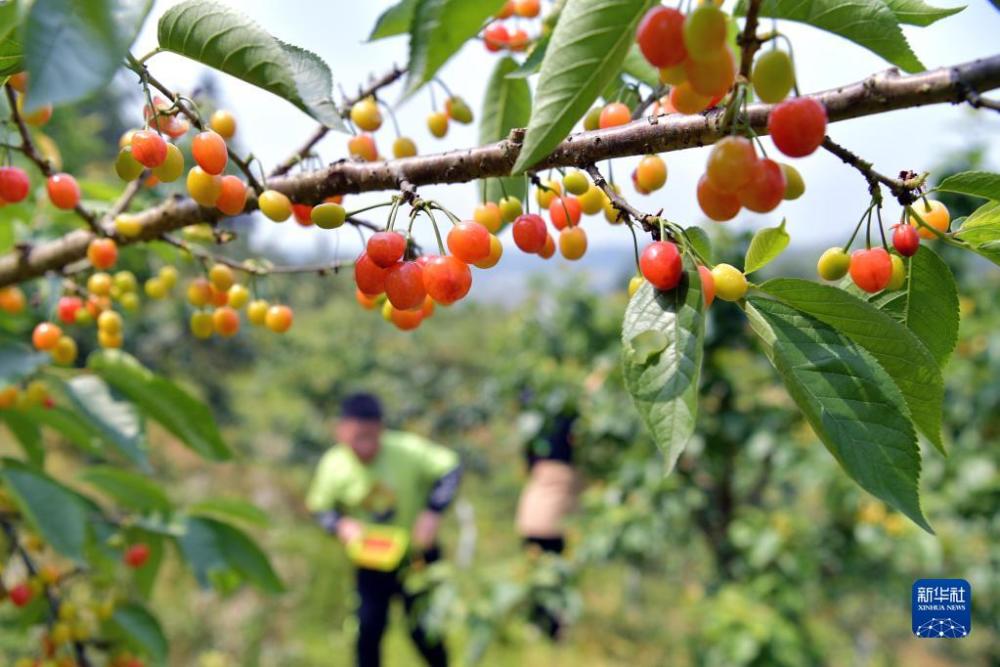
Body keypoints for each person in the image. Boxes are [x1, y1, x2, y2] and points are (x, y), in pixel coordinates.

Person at [306, 393, 462, 667]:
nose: (365, 446)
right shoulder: (334, 464)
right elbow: (320, 508)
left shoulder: (407, 450)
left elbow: (451, 468)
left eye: (371, 437)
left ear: (381, 430)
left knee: (425, 630)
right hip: (371, 559)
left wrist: (432, 513)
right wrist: (340, 525)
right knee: (368, 629)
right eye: (358, 438)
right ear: (341, 431)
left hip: (416, 557)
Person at [514, 407, 580, 639]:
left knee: (539, 569)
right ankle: (548, 624)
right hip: (549, 523)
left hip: (535, 519)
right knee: (551, 572)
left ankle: (540, 622)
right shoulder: (563, 462)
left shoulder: (538, 436)